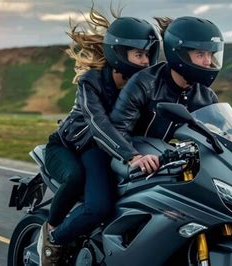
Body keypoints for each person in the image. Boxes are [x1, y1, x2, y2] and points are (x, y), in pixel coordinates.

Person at [37, 7, 160, 266]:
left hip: (102, 150)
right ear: (118, 52)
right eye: (139, 54)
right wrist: (132, 155)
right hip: (69, 146)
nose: (146, 62)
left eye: (148, 55)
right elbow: (98, 123)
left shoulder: (144, 88)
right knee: (91, 197)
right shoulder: (91, 82)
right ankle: (53, 234)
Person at [101, 16, 224, 173]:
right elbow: (117, 129)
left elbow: (220, 134)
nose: (208, 61)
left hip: (171, 164)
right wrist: (135, 156)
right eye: (200, 54)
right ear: (179, 54)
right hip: (131, 161)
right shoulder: (144, 83)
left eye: (211, 54)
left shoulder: (206, 96)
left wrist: (229, 138)